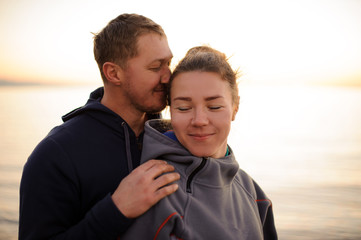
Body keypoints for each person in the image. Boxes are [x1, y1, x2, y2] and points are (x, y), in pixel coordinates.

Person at [19, 13, 180, 239]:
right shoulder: (55, 154)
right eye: (156, 67)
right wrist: (116, 210)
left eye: (168, 64)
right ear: (113, 73)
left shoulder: (175, 135)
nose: (168, 77)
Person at [119, 46, 278, 239]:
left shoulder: (252, 192)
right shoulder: (155, 191)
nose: (199, 120)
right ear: (171, 110)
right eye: (184, 108)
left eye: (214, 106)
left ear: (235, 107)